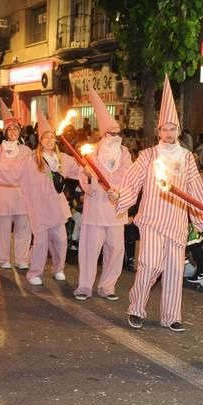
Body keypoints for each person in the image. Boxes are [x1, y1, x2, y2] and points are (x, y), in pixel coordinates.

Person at [113, 75, 203, 332]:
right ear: (158, 131)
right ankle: (136, 309)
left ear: (178, 131)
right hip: (153, 221)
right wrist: (120, 196)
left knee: (175, 270)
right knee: (150, 265)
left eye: (172, 129)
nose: (168, 133)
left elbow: (195, 190)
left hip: (177, 223)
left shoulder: (187, 158)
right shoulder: (148, 155)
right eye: (164, 129)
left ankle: (171, 316)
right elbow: (132, 181)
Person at [0, 109, 80, 286]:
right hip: (31, 204)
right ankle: (26, 268)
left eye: (51, 137)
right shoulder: (29, 158)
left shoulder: (61, 158)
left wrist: (90, 172)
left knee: (59, 240)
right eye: (45, 138)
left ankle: (50, 266)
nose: (48, 140)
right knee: (38, 240)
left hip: (49, 205)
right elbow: (9, 172)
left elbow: (80, 172)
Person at [73, 89, 132, 301]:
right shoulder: (91, 153)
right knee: (90, 250)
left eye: (118, 133)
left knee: (116, 250)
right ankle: (84, 286)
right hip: (96, 210)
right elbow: (85, 182)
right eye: (112, 133)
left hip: (116, 210)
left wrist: (119, 192)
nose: (116, 137)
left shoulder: (125, 153)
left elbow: (129, 176)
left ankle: (108, 286)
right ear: (104, 135)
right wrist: (90, 178)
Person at [0, 99, 31, 270]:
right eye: (10, 129)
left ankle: (22, 259)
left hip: (21, 195)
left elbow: (34, 172)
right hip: (2, 195)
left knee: (24, 228)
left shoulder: (27, 151)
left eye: (16, 129)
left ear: (20, 132)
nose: (13, 131)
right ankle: (3, 259)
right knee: (2, 230)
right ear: (5, 132)